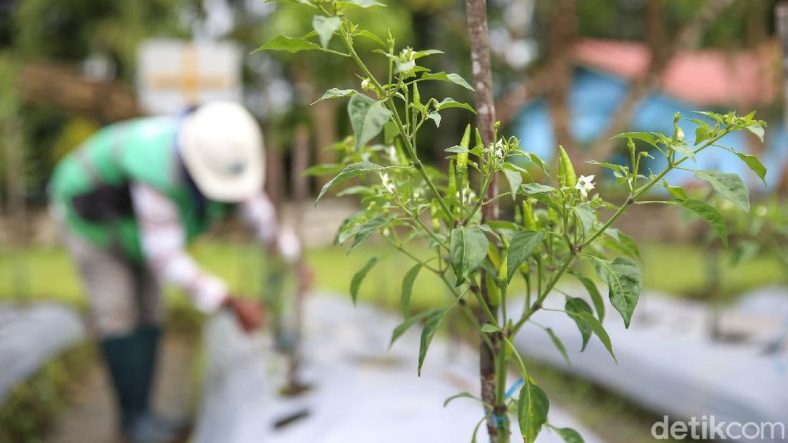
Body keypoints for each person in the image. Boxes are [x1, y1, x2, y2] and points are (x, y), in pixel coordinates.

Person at [49, 101, 301, 443]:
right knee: (119, 311)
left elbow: (258, 213)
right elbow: (165, 256)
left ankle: (147, 413)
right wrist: (229, 302)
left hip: (135, 228)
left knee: (151, 309)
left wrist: (294, 260)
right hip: (92, 222)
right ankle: (132, 420)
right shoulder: (157, 167)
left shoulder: (224, 154)